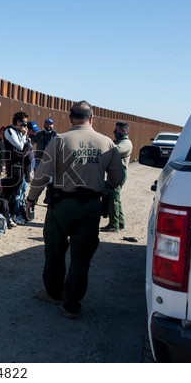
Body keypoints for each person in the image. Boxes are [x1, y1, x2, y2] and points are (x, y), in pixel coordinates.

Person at [25, 101, 125, 319]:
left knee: (54, 250)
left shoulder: (60, 140)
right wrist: (102, 188)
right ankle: (71, 304)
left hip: (62, 205)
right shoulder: (107, 143)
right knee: (82, 256)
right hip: (90, 206)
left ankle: (53, 293)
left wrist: (31, 199)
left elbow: (42, 174)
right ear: (92, 118)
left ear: (70, 118)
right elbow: (118, 177)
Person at [3, 111, 34, 224]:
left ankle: (12, 214)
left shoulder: (19, 132)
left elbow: (26, 146)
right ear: (18, 122)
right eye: (24, 123)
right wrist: (24, 135)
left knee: (17, 191)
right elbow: (20, 146)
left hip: (20, 165)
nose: (26, 126)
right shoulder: (10, 130)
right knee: (11, 191)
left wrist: (24, 136)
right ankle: (7, 214)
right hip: (13, 164)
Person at [101, 121, 133, 232]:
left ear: (124, 130)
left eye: (117, 129)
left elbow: (115, 150)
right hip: (115, 172)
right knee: (116, 198)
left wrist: (106, 142)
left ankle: (114, 225)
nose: (115, 131)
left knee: (113, 198)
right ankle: (120, 222)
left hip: (118, 173)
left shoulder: (126, 143)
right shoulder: (120, 141)